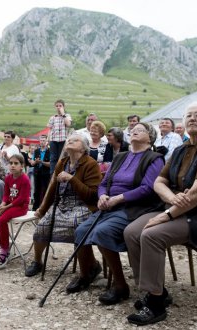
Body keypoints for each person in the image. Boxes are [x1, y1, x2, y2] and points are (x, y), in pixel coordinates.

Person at [123, 102, 197, 326]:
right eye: (189, 115)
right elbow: (159, 181)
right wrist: (171, 198)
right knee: (132, 231)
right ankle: (157, 291)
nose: (192, 118)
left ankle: (155, 305)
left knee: (151, 235)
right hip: (178, 209)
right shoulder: (181, 150)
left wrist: (166, 215)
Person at [68, 123, 164, 305]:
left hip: (134, 208)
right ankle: (87, 272)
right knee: (80, 231)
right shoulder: (121, 156)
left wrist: (119, 198)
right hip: (110, 205)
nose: (134, 130)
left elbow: (148, 188)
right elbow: (104, 182)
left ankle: (120, 286)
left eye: (141, 129)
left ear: (150, 137)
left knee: (102, 232)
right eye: (133, 129)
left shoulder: (154, 158)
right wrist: (102, 195)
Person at [24, 133, 102, 277]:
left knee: (77, 225)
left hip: (83, 205)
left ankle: (91, 265)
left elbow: (92, 195)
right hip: (62, 205)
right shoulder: (63, 162)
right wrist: (42, 209)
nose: (70, 141)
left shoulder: (90, 164)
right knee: (42, 227)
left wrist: (72, 179)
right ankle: (37, 262)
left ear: (83, 148)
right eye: (69, 140)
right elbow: (53, 188)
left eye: (75, 140)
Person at [0, 153, 31, 270]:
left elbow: (21, 198)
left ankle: (4, 252)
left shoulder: (25, 179)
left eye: (16, 163)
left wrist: (7, 207)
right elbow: (6, 194)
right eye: (11, 163)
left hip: (20, 207)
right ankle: (3, 244)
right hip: (9, 205)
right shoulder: (8, 178)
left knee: (2, 220)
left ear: (22, 166)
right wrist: (3, 204)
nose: (12, 166)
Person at [48, 99, 72, 174]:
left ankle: (62, 172)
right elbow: (50, 129)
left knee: (62, 158)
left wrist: (63, 114)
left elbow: (68, 124)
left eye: (60, 106)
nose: (58, 107)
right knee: (53, 158)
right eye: (57, 106)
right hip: (53, 140)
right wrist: (48, 140)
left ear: (63, 107)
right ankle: (53, 173)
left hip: (63, 140)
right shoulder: (53, 117)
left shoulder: (67, 116)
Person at [29, 135, 51, 211]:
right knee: (36, 191)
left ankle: (44, 207)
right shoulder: (36, 151)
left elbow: (51, 164)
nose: (42, 142)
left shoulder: (50, 151)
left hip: (46, 174)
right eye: (41, 140)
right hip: (37, 173)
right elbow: (32, 163)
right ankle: (35, 208)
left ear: (47, 142)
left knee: (45, 190)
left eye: (44, 140)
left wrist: (41, 162)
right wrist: (35, 161)